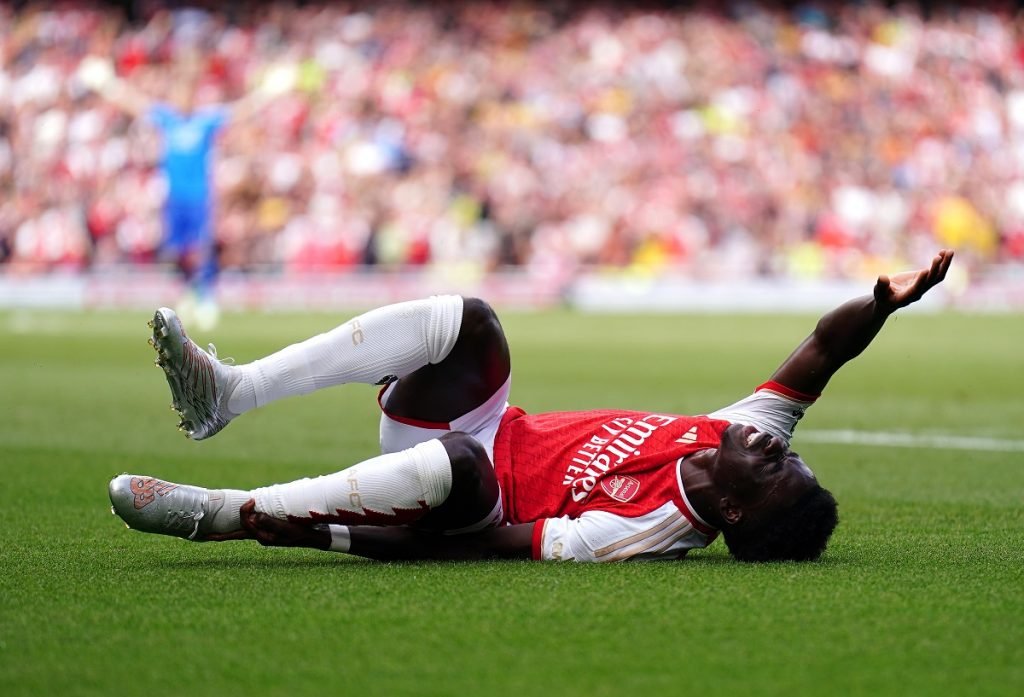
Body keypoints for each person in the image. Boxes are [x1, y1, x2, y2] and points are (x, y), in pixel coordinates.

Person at [110, 250, 953, 562]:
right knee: (471, 321)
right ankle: (229, 392)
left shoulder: (646, 530)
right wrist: (884, 304)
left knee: (458, 465)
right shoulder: (740, 433)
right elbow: (825, 349)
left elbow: (475, 548)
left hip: (463, 497)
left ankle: (229, 512)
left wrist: (316, 533)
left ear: (732, 509)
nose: (774, 443)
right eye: (786, 449)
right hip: (479, 426)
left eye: (775, 465)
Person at [80, 54, 284, 330]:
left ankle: (207, 298)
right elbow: (134, 102)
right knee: (177, 250)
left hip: (199, 197)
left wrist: (267, 93)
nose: (183, 98)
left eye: (187, 93)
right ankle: (189, 293)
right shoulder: (167, 119)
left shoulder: (205, 121)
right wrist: (106, 83)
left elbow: (240, 111)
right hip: (174, 199)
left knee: (202, 249)